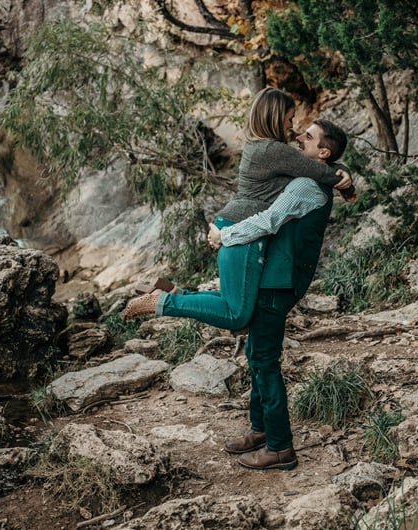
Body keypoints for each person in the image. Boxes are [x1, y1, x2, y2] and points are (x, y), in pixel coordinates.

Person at [120, 88, 354, 327]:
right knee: (237, 314)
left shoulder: (263, 147)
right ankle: (162, 301)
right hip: (241, 229)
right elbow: (319, 170)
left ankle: (175, 294)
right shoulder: (273, 150)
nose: (292, 128)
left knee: (234, 301)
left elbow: (316, 163)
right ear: (275, 116)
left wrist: (341, 170)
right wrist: (344, 182)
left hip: (233, 223)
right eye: (290, 118)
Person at [222, 119, 353, 471]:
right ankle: (260, 429)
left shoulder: (307, 185)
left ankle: (280, 447)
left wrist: (225, 236)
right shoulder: (315, 178)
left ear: (322, 153)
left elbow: (268, 221)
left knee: (264, 360)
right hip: (279, 279)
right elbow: (334, 172)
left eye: (307, 137)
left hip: (277, 282)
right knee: (256, 353)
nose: (298, 137)